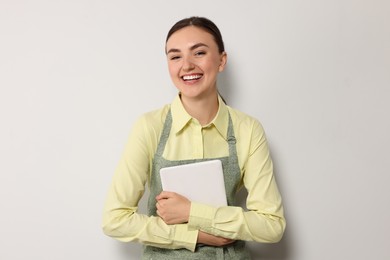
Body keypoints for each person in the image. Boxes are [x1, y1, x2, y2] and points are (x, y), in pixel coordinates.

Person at [102, 16, 286, 259]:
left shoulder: (247, 129)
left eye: (198, 53)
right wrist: (200, 235)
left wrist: (191, 212)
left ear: (221, 61)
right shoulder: (149, 127)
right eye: (175, 56)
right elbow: (114, 219)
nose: (186, 65)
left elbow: (272, 226)